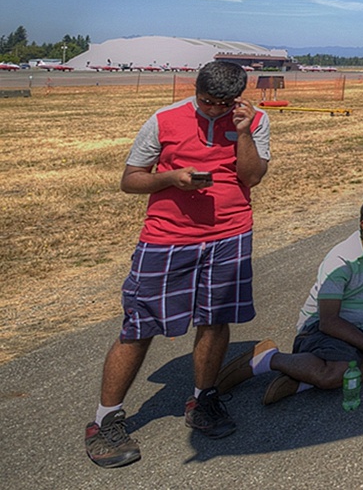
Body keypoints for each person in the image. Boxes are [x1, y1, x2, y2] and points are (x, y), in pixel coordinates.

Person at [85, 61, 269, 469]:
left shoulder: (254, 120)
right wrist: (171, 179)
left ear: (237, 97)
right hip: (167, 238)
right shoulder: (164, 119)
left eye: (223, 103)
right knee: (139, 325)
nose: (214, 109)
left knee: (215, 320)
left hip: (230, 235)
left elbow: (252, 177)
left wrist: (242, 132)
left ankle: (203, 400)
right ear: (195, 90)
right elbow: (131, 179)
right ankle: (105, 421)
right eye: (207, 101)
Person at [216, 196, 363, 406]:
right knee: (338, 371)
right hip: (323, 328)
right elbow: (328, 322)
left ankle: (306, 380)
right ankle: (269, 359)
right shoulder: (340, 260)